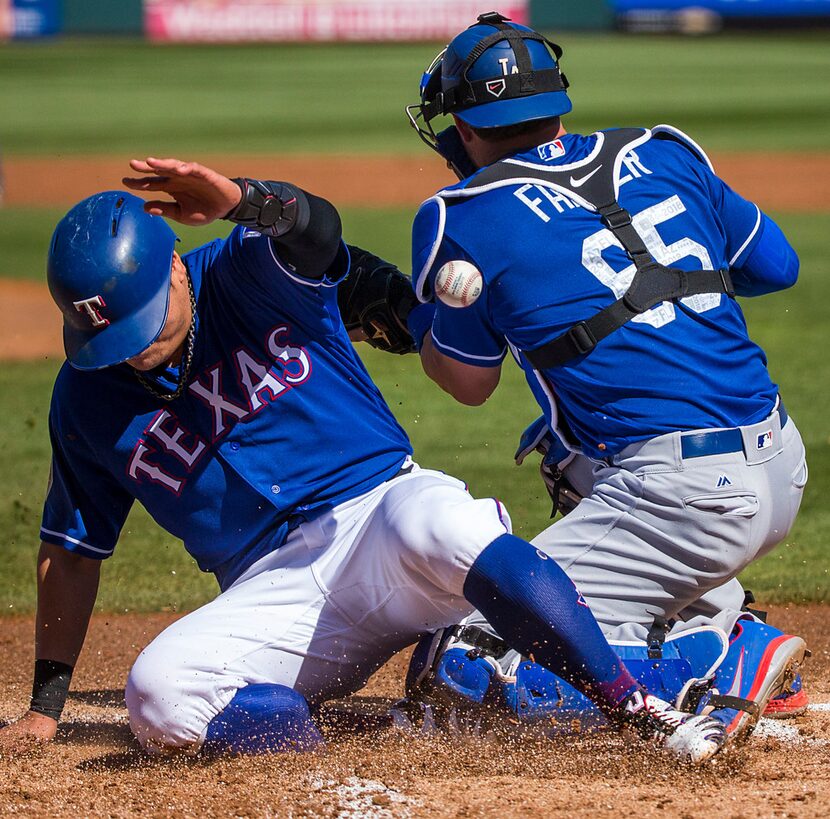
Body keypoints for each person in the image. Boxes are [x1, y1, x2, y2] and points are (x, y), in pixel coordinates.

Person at [0, 158, 726, 763]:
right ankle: (341, 751)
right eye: (109, 337)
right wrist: (45, 706)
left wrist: (241, 200)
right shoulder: (85, 398)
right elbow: (71, 549)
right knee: (158, 695)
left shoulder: (247, 268)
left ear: (177, 269)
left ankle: (643, 701)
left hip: (382, 516)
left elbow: (317, 231)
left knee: (442, 526)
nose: (132, 347)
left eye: (142, 318)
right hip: (274, 591)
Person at [401, 12, 809, 741]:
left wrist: (422, 329)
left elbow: (466, 381)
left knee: (469, 654)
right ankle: (723, 607)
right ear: (557, 102)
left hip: (683, 498)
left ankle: (722, 659)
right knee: (565, 446)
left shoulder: (459, 216)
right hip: (781, 462)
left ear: (461, 127)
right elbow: (777, 267)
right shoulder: (664, 149)